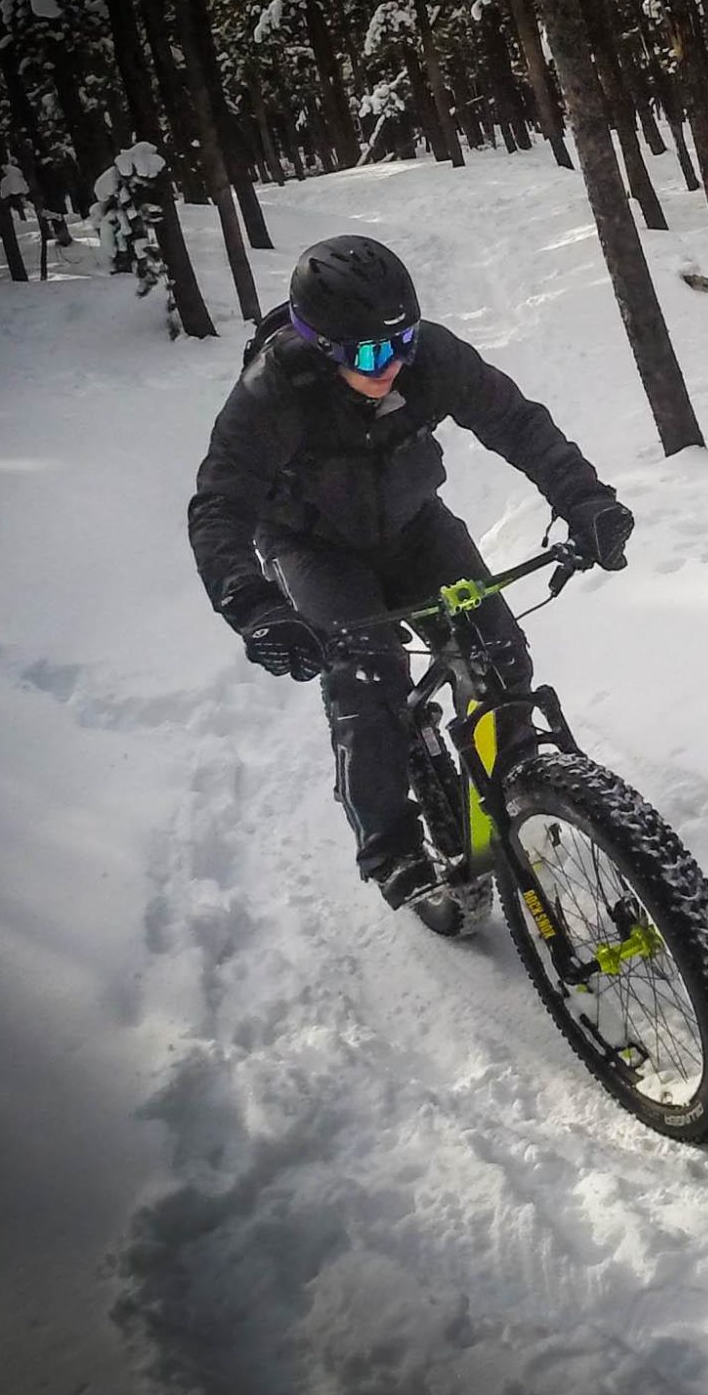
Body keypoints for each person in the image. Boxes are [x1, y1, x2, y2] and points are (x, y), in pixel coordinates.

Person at [187, 235, 634, 909]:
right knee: (369, 681)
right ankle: (391, 849)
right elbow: (219, 506)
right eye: (370, 353)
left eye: (403, 343)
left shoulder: (427, 356)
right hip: (310, 546)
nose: (392, 364)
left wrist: (585, 498)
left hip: (411, 522)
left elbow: (516, 422)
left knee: (500, 657)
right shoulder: (272, 395)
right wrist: (254, 606)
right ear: (321, 346)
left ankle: (515, 793)